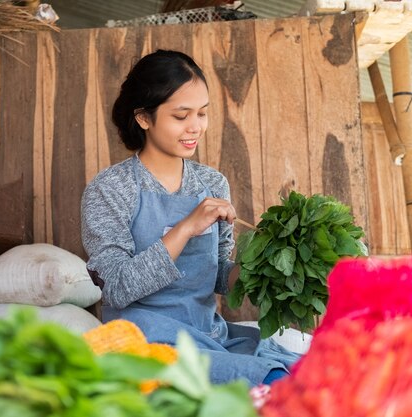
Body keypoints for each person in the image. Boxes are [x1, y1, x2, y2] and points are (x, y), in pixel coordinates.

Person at [80, 50, 298, 386]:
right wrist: (185, 228)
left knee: (309, 371)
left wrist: (267, 267)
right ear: (143, 118)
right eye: (181, 116)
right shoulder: (110, 189)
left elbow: (217, 276)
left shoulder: (211, 183)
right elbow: (117, 289)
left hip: (207, 333)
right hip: (146, 341)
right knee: (274, 382)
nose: (195, 127)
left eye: (202, 113)